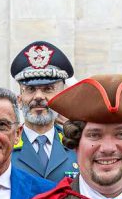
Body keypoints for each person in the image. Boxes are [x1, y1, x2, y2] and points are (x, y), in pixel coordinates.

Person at [10, 41, 79, 183]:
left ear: (62, 98)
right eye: (30, 89)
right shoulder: (6, 145)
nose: (39, 96)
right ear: (19, 100)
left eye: (48, 89)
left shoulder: (77, 145)